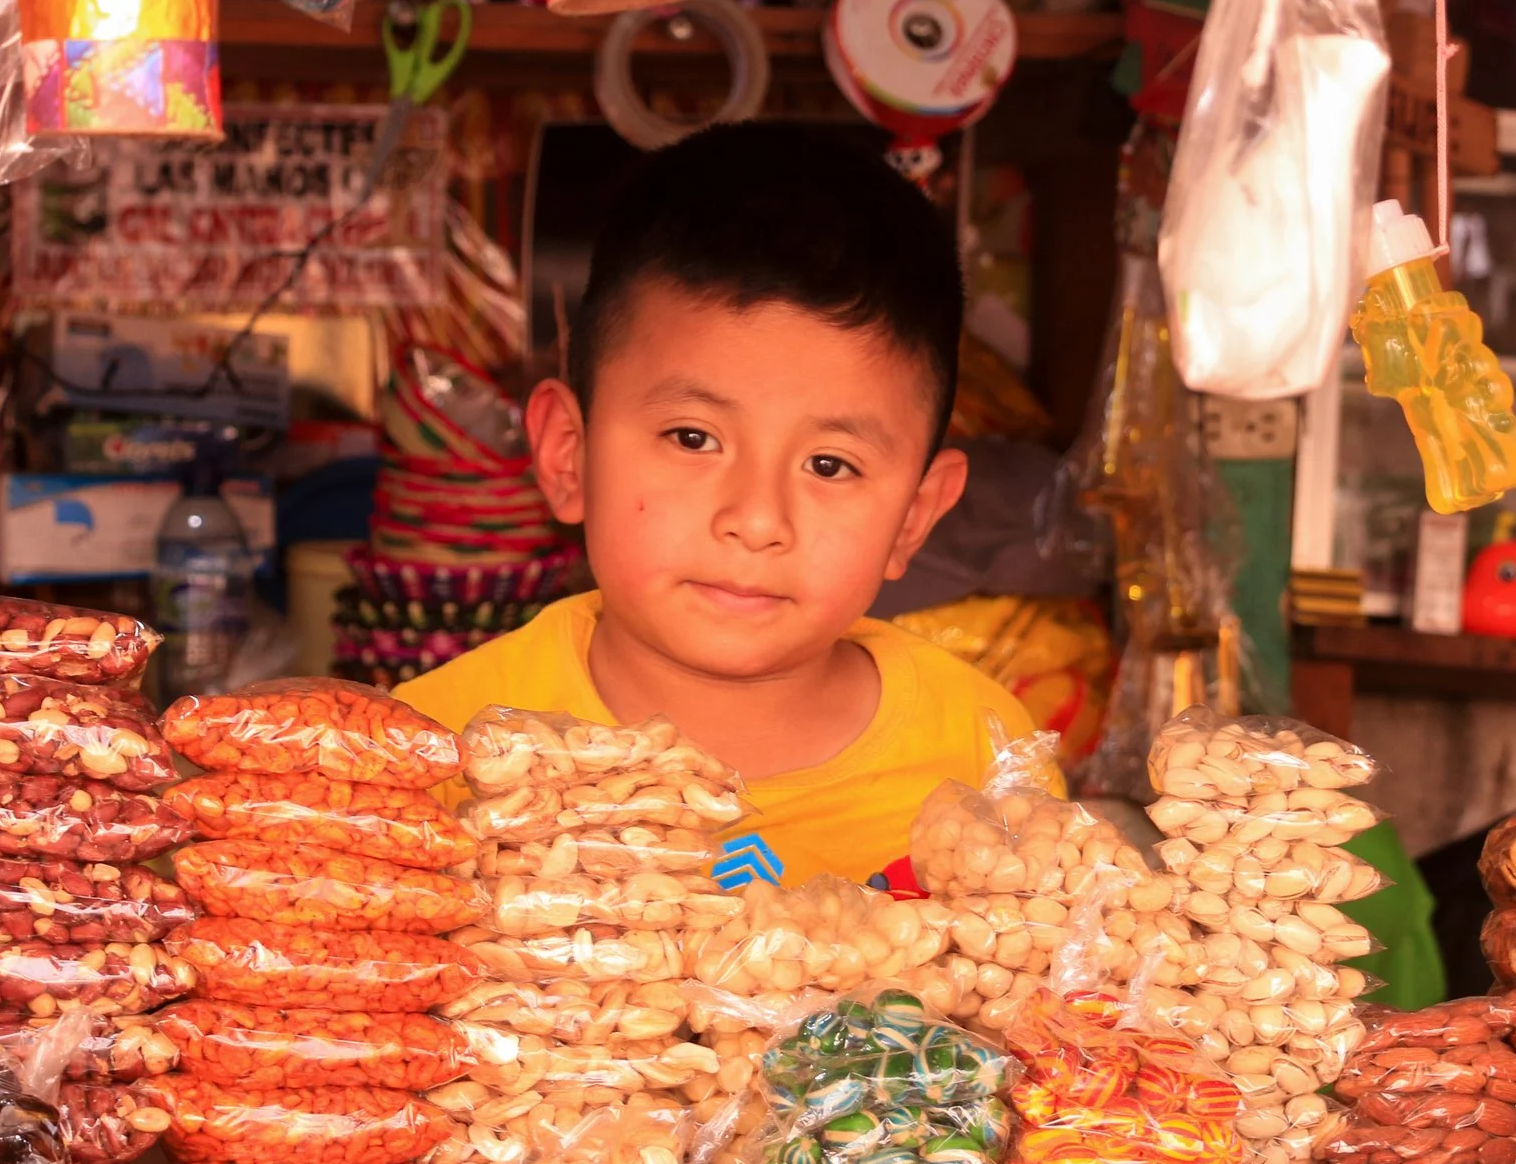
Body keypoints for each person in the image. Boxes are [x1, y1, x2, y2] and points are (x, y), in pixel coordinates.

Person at [395, 124, 1045, 890]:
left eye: (829, 464)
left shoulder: (982, 752)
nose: (758, 519)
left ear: (913, 516)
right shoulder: (430, 753)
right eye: (694, 437)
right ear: (569, 453)